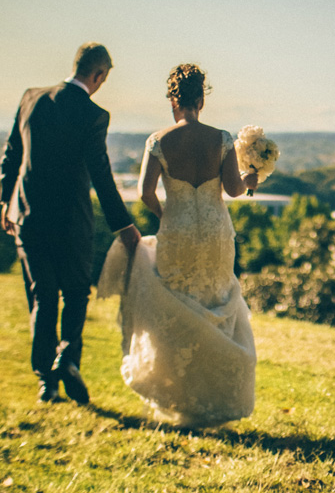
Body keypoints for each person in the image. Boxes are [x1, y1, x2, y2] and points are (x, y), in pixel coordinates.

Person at [96, 64, 257, 427]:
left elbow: (144, 193)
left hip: (178, 231)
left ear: (173, 100)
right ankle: (214, 400)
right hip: (217, 235)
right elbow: (233, 190)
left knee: (181, 307)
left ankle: (182, 402)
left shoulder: (158, 141)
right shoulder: (221, 138)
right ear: (201, 99)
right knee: (215, 306)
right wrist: (251, 179)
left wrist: (166, 214)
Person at [0, 43, 141, 404]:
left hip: (28, 217)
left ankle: (46, 381)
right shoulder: (94, 115)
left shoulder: (31, 98)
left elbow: (12, 153)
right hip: (71, 222)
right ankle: (66, 359)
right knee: (76, 293)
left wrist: (6, 201)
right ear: (98, 75)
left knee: (42, 298)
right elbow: (101, 174)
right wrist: (123, 225)